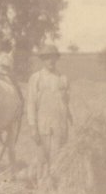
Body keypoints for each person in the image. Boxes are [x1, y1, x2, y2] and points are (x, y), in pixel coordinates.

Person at [26, 44, 73, 178]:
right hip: (43, 126)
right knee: (42, 159)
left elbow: (67, 103)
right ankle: (41, 188)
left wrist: (69, 115)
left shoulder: (63, 78)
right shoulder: (36, 78)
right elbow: (31, 104)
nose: (50, 61)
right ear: (43, 60)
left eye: (53, 58)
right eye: (47, 58)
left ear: (57, 59)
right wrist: (33, 128)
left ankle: (55, 189)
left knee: (58, 158)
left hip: (60, 126)